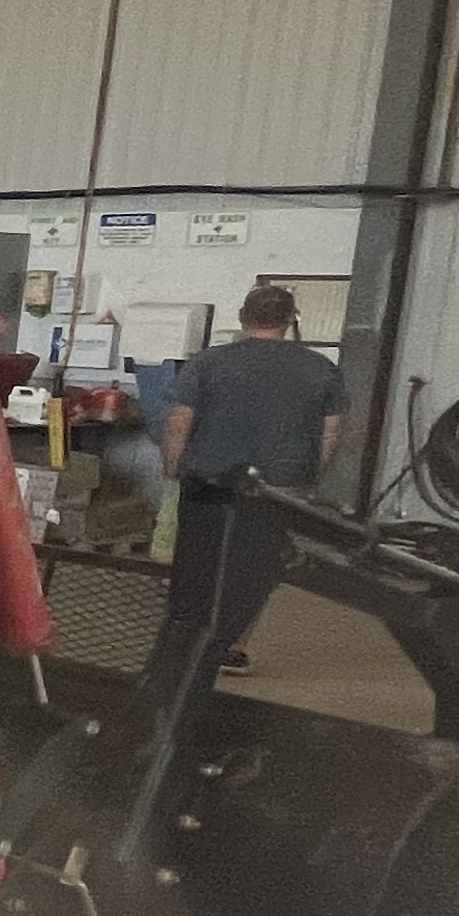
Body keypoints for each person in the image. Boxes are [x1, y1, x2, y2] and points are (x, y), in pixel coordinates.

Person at [143, 284, 347, 702]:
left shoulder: (208, 363)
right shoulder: (320, 368)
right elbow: (332, 430)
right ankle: (230, 647)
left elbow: (179, 421)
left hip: (208, 482)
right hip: (279, 487)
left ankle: (183, 643)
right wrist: (311, 474)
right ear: (291, 320)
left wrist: (172, 467)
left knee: (197, 563)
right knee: (256, 568)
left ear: (241, 316)